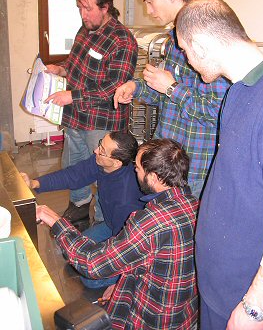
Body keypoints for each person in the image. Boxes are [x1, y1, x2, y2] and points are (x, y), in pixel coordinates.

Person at [176, 0, 263, 330]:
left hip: (248, 301)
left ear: (200, 46)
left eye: (185, 50)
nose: (187, 60)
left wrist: (255, 307)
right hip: (221, 286)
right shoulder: (240, 91)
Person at [36, 138, 199, 329]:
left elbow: (92, 263)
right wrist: (121, 283)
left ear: (153, 177)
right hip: (184, 313)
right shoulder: (194, 204)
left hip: (152, 320)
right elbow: (159, 261)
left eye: (137, 168)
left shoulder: (151, 221)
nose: (134, 170)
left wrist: (54, 220)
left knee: (87, 275)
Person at [114, 0, 230, 198]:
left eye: (150, 1)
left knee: (189, 230)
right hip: (166, 159)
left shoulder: (207, 40)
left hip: (192, 168)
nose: (148, 10)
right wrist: (135, 88)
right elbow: (163, 95)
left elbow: (217, 112)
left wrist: (172, 88)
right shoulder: (172, 40)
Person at [45, 0, 138, 225]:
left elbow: (113, 86)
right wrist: (61, 69)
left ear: (105, 7)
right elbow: (75, 64)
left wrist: (72, 96)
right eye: (80, 9)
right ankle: (79, 205)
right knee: (74, 164)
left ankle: (104, 221)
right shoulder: (84, 30)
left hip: (101, 121)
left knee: (104, 170)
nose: (83, 15)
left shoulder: (123, 40)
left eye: (88, 9)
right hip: (76, 116)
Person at [21, 131, 145, 289]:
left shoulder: (126, 199)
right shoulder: (102, 163)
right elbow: (73, 175)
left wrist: (121, 281)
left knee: (91, 279)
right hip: (111, 225)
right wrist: (34, 183)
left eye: (101, 150)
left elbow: (129, 248)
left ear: (116, 162)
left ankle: (123, 280)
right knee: (70, 253)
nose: (95, 150)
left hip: (126, 237)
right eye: (100, 144)